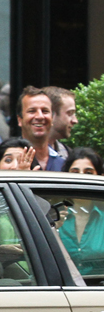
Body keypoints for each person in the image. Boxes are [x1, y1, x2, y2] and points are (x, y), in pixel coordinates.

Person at [58, 148, 104, 276]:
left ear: (100, 177)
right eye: (75, 172)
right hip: (59, 291)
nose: (81, 177)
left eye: (88, 173)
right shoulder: (54, 215)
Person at [17, 86, 65, 172]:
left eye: (45, 111)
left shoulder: (64, 164)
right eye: (32, 111)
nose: (40, 116)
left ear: (52, 118)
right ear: (19, 120)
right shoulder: (8, 161)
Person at [44, 86, 78, 159]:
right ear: (51, 114)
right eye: (70, 113)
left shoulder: (69, 156)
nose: (75, 121)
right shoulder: (18, 153)